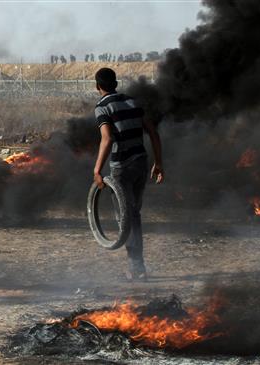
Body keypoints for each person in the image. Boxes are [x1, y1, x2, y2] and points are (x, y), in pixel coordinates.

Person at [92, 67, 164, 281]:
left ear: (98, 87)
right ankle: (137, 265)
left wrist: (97, 170)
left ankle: (136, 268)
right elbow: (153, 131)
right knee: (133, 214)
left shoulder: (102, 107)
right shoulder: (133, 102)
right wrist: (158, 162)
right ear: (115, 83)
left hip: (121, 167)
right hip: (141, 163)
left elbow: (107, 139)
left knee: (126, 217)